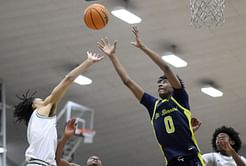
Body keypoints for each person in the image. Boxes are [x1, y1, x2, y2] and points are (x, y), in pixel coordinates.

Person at [97, 26, 204, 166]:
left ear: (174, 85)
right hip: (171, 162)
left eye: (165, 82)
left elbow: (166, 68)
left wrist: (143, 47)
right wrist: (112, 56)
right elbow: (127, 82)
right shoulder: (153, 105)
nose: (160, 84)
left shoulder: (180, 99)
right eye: (159, 82)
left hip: (191, 159)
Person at [13, 51, 103, 166]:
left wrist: (65, 137)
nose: (44, 99)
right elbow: (68, 79)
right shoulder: (44, 110)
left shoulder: (36, 125)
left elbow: (56, 159)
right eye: (40, 99)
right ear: (34, 106)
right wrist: (88, 62)